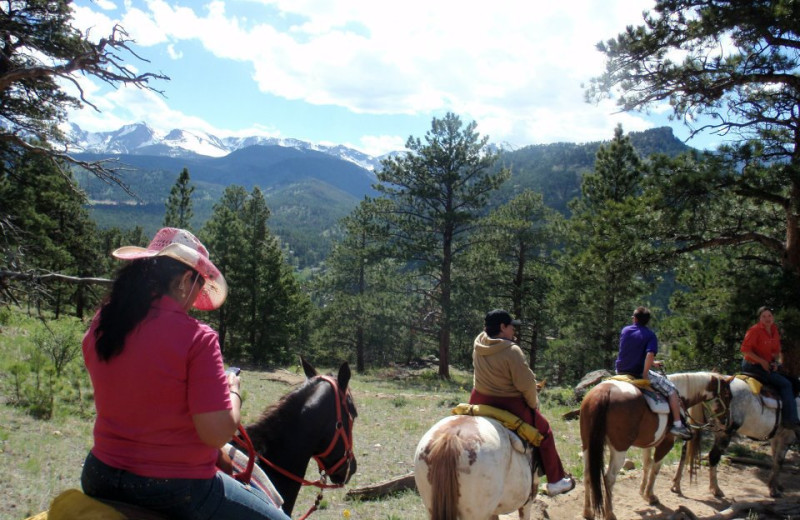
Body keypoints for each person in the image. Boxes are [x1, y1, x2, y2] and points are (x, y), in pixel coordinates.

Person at [80, 228, 290, 520]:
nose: (196, 298)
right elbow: (216, 434)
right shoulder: (198, 339)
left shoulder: (104, 322)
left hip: (99, 473)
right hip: (173, 487)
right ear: (184, 280)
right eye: (198, 283)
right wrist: (233, 391)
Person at [469, 309, 575, 496]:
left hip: (479, 398)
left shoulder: (479, 343)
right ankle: (556, 480)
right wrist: (533, 406)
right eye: (511, 327)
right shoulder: (511, 350)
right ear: (502, 327)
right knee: (545, 431)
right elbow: (526, 385)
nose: (514, 331)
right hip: (509, 404)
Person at [615, 306, 692, 440]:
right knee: (672, 390)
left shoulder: (625, 330)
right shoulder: (650, 335)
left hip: (620, 370)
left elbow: (633, 351)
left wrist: (652, 364)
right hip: (637, 372)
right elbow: (649, 354)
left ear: (635, 319)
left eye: (633, 316)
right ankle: (678, 425)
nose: (632, 318)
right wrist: (645, 373)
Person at [741, 306, 800, 430]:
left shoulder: (774, 330)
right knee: (785, 384)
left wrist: (775, 363)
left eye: (769, 316)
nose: (767, 319)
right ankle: (790, 421)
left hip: (766, 365)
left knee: (795, 382)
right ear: (759, 318)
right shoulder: (754, 330)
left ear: (773, 317)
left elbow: (776, 352)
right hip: (752, 366)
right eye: (764, 316)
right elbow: (745, 350)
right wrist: (762, 361)